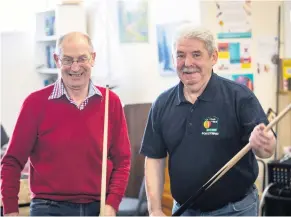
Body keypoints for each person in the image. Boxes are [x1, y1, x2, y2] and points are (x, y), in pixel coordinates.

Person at [140, 23, 276, 216]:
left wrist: (265, 142)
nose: (187, 63)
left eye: (196, 54)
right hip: (184, 210)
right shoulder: (162, 104)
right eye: (180, 55)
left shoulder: (240, 97)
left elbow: (266, 151)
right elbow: (154, 158)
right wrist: (154, 209)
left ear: (213, 57)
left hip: (235, 211)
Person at [1, 32, 131, 216]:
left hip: (98, 207)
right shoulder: (35, 103)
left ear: (93, 58)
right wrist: (10, 211)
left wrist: (111, 206)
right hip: (48, 207)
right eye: (68, 60)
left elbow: (122, 162)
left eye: (82, 59)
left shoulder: (111, 102)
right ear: (56, 60)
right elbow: (12, 161)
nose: (75, 67)